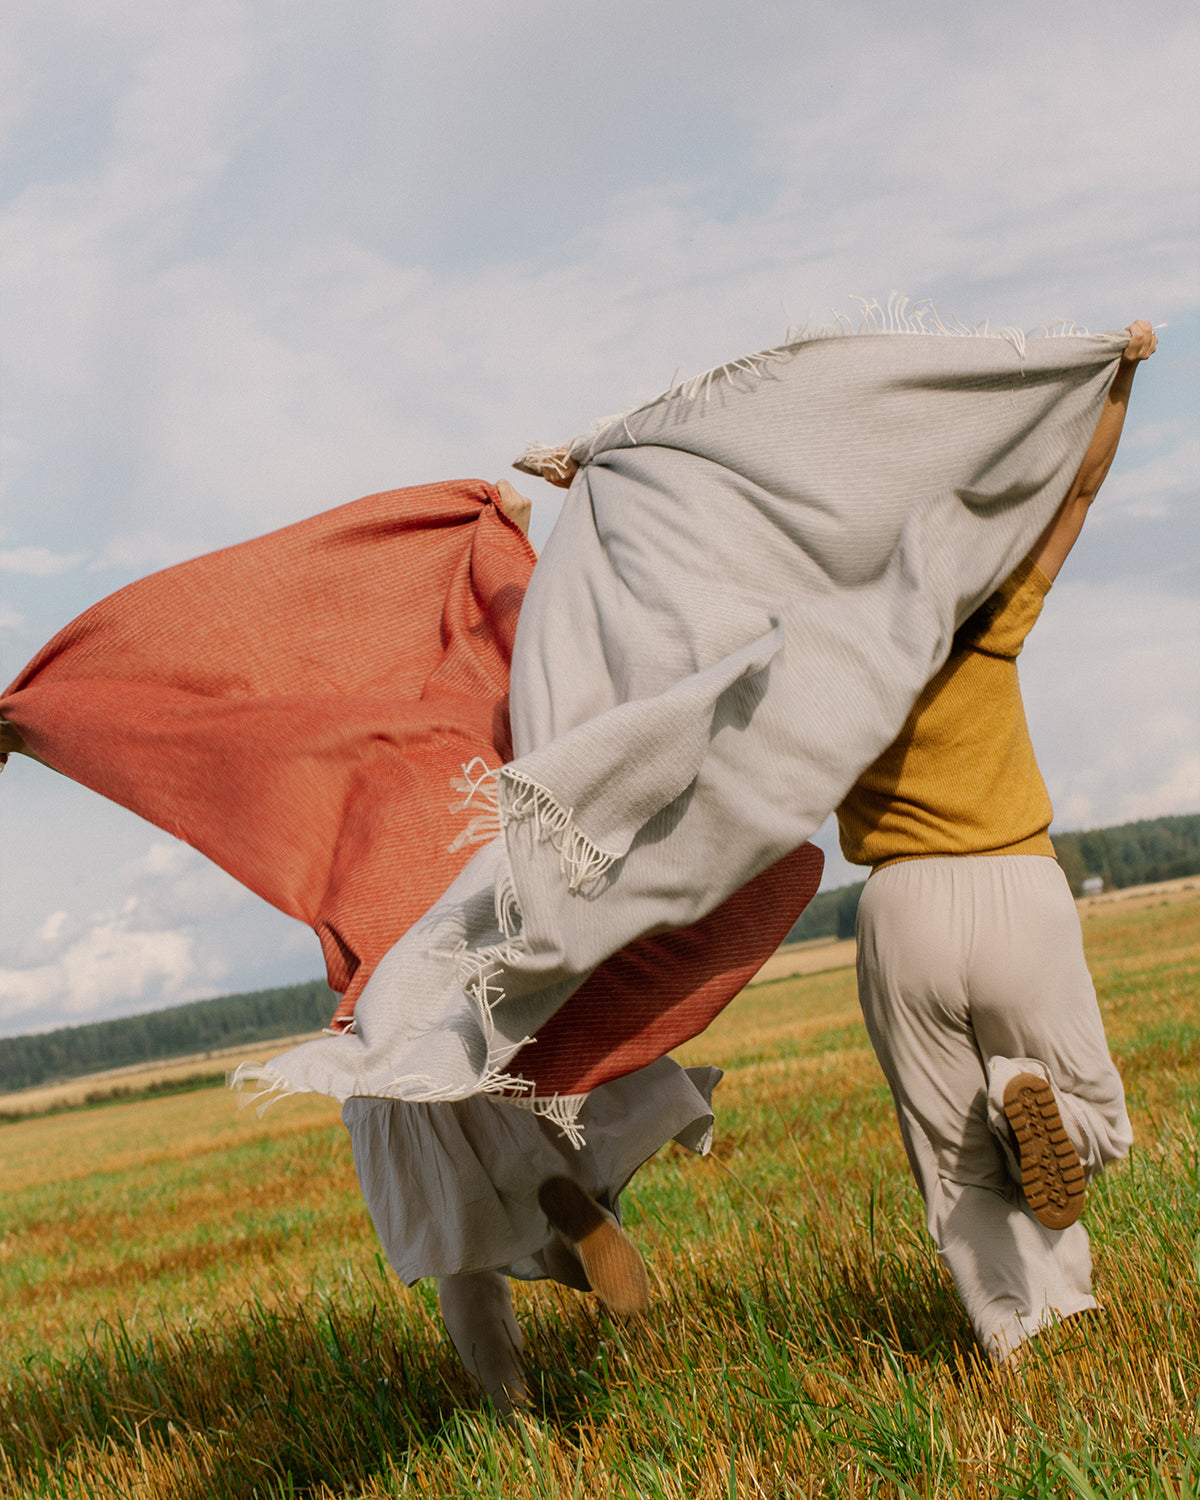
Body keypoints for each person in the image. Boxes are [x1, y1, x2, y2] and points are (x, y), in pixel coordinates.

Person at [835, 321, 1157, 1365]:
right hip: (1018, 886)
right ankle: (1047, 1111)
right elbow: (1074, 495)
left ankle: (1022, 1332)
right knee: (1094, 1116)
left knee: (954, 1166)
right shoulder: (987, 613)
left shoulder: (820, 661)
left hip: (902, 911)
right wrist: (1119, 377)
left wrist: (592, 477)